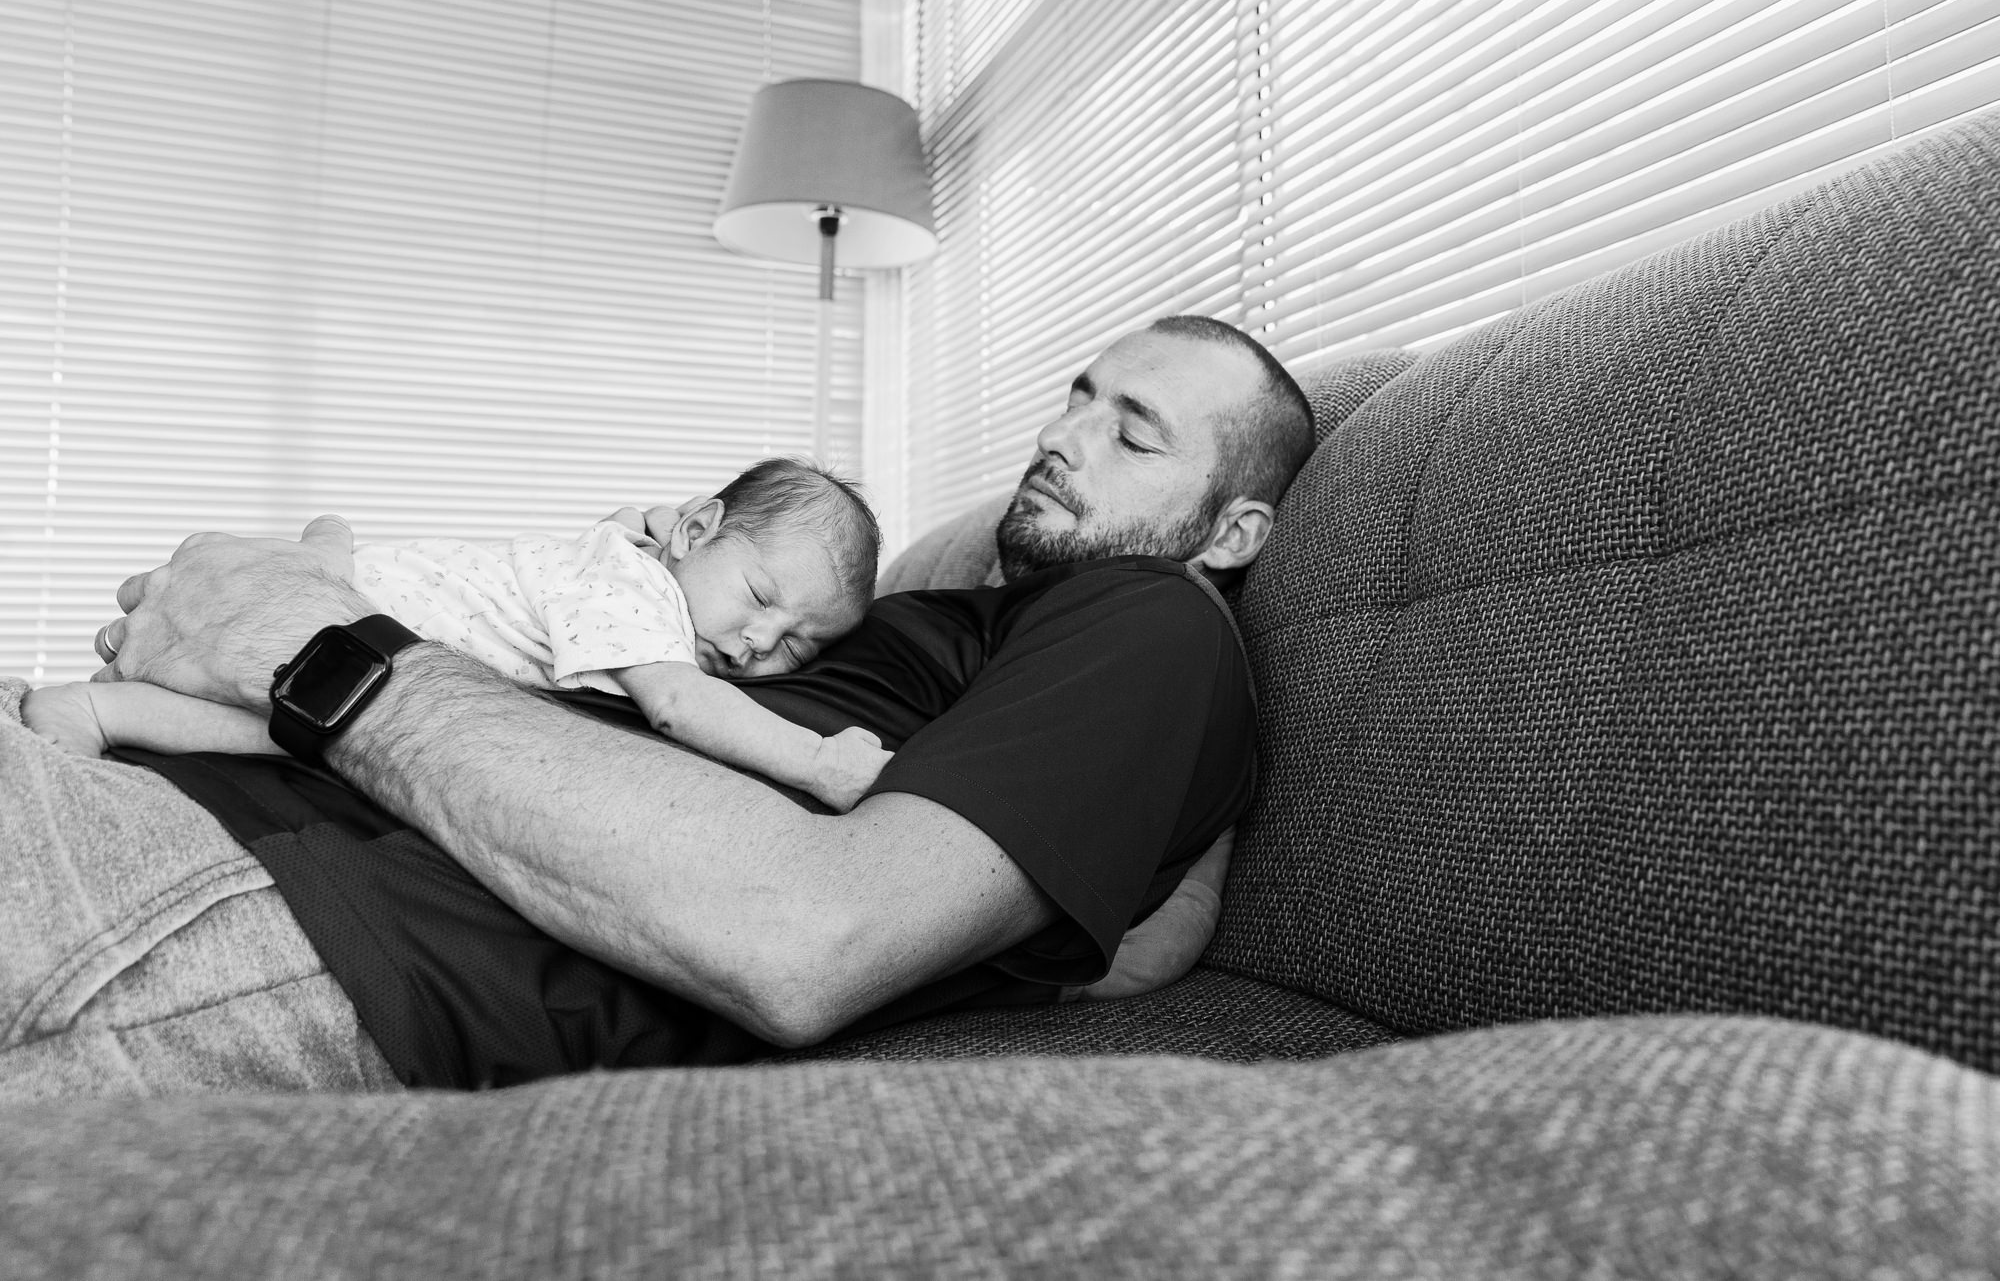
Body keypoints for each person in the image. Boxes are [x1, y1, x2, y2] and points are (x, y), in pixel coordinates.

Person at [0, 313, 1315, 1098]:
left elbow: (814, 933)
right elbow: (1114, 933)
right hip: (217, 820)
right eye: (1077, 396)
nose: (1064, 436)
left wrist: (313, 646)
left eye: (1134, 435)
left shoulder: (1152, 624)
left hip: (304, 918)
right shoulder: (972, 617)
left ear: (1236, 525)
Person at [23, 458, 893, 812]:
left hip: (374, 598)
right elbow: (679, 707)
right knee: (303, 727)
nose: (755, 644)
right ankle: (103, 714)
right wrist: (817, 761)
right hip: (354, 626)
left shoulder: (633, 558)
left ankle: (326, 540)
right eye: (759, 597)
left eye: (796, 646)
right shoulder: (637, 592)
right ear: (697, 533)